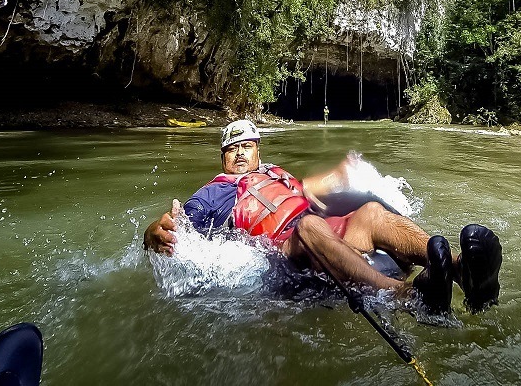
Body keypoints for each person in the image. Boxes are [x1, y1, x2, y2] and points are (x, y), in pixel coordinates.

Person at [143, 119, 502, 314]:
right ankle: (407, 297)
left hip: (320, 229)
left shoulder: (277, 174)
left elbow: (310, 193)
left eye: (246, 146)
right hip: (280, 249)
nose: (239, 154)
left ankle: (461, 272)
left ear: (258, 150)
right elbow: (178, 227)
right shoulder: (214, 190)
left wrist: (339, 177)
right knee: (310, 225)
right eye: (231, 149)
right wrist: (153, 233)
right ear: (223, 157)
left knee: (372, 213)